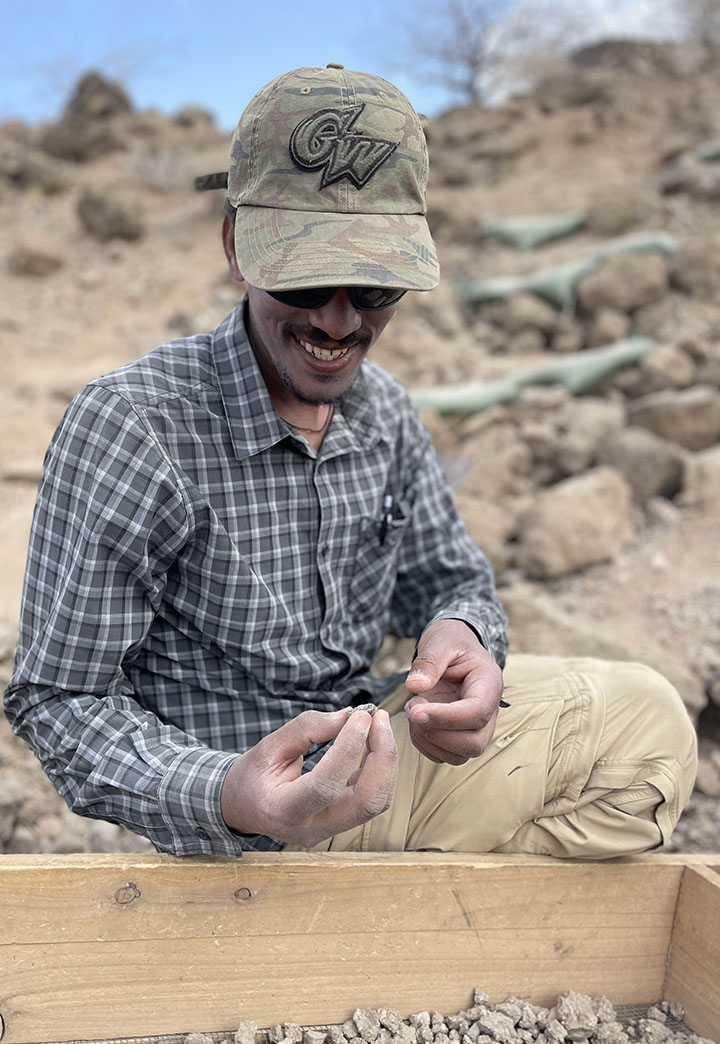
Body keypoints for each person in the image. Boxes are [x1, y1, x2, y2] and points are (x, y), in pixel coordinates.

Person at [4, 65, 697, 859]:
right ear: (238, 247)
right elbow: (60, 698)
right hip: (228, 830)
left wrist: (461, 637)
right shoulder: (136, 424)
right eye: (307, 278)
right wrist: (232, 794)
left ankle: (404, 914)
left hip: (377, 760)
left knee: (647, 718)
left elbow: (449, 577)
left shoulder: (385, 411)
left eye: (373, 287)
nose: (338, 320)